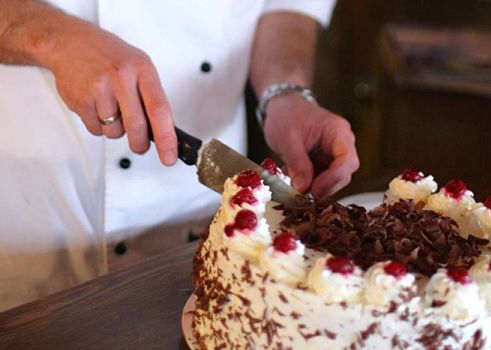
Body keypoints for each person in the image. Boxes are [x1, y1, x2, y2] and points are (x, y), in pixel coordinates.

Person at [0, 0, 359, 312]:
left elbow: (287, 7)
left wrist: (284, 94)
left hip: (196, 230)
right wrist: (50, 39)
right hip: (28, 208)